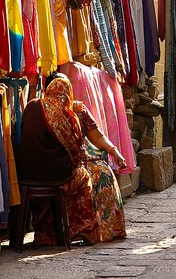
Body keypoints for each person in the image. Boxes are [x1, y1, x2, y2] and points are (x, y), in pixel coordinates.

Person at [16, 74, 127, 245]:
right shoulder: (65, 112)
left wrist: (114, 152)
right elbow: (75, 152)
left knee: (99, 171)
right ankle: (82, 230)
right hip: (57, 174)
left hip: (24, 174)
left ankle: (50, 232)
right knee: (84, 177)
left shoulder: (34, 106)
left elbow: (97, 136)